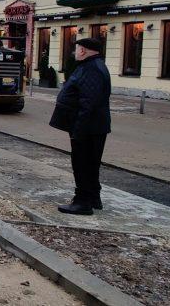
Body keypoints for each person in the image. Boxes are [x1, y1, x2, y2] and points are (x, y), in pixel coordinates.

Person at [50, 38, 112, 215]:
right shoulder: (94, 65)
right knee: (90, 163)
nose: (75, 52)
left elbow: (88, 102)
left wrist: (79, 129)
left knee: (82, 164)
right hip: (92, 126)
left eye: (77, 49)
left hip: (87, 127)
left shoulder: (91, 69)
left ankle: (82, 202)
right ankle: (93, 198)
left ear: (83, 50)